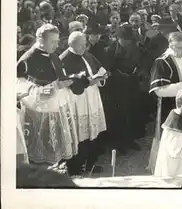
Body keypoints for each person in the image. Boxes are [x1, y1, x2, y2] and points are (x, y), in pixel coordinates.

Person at [16, 24, 79, 166]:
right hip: (39, 113)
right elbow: (24, 89)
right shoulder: (28, 59)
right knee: (41, 154)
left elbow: (58, 76)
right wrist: (54, 87)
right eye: (53, 41)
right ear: (40, 40)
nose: (57, 45)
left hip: (57, 108)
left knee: (56, 153)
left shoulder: (54, 55)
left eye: (57, 41)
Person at [61, 32, 108, 175]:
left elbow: (98, 68)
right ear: (71, 44)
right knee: (78, 133)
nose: (84, 47)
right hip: (77, 100)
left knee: (92, 130)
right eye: (80, 45)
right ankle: (75, 167)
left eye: (84, 44)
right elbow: (67, 81)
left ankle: (90, 164)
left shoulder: (86, 54)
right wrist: (87, 82)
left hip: (92, 96)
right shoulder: (64, 59)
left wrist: (101, 76)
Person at [104, 24, 148, 154]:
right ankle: (118, 143)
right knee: (118, 115)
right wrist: (121, 75)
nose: (127, 42)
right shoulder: (110, 50)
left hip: (133, 86)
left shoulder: (137, 49)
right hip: (116, 88)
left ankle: (129, 139)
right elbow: (109, 69)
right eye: (124, 39)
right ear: (118, 38)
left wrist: (140, 72)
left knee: (132, 112)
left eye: (129, 40)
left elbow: (143, 63)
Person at [149, 32, 182, 125]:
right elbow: (159, 91)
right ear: (171, 46)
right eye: (180, 48)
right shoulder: (163, 61)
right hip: (171, 107)